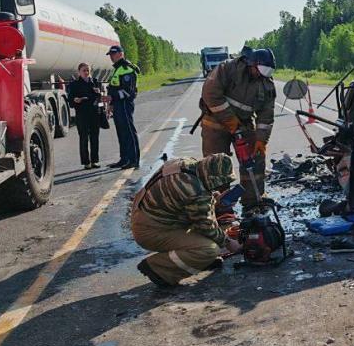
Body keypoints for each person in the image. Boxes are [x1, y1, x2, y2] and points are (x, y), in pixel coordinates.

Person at [130, 153, 242, 288]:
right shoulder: (194, 190)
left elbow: (189, 200)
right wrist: (230, 243)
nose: (221, 187)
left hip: (146, 212)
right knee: (209, 249)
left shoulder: (188, 164)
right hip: (151, 230)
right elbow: (206, 226)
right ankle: (158, 268)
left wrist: (213, 199)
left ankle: (200, 260)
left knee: (212, 227)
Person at [198, 47, 276, 209]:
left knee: (255, 159)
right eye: (258, 72)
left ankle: (253, 200)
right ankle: (220, 205)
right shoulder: (228, 69)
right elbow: (210, 93)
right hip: (215, 122)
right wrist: (232, 124)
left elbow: (266, 118)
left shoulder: (266, 85)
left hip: (244, 123)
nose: (260, 76)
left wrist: (261, 140)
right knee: (216, 164)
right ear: (251, 64)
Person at [105, 44, 140, 169]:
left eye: (114, 54)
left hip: (125, 104)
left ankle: (133, 159)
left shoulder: (127, 69)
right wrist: (111, 104)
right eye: (110, 55)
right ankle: (124, 158)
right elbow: (114, 87)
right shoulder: (118, 68)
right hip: (118, 104)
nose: (112, 57)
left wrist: (112, 98)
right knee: (121, 132)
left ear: (121, 54)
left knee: (129, 131)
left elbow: (128, 92)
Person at [65, 62, 102, 169]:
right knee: (84, 138)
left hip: (94, 113)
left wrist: (98, 93)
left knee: (95, 137)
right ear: (79, 72)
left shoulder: (95, 82)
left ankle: (95, 161)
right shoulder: (74, 84)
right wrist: (75, 100)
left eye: (88, 70)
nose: (86, 72)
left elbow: (99, 99)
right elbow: (70, 100)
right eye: (84, 70)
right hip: (82, 114)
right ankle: (86, 162)